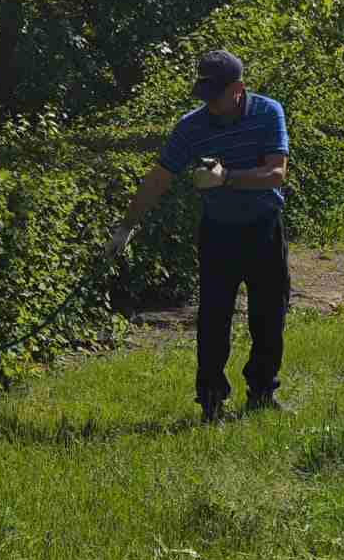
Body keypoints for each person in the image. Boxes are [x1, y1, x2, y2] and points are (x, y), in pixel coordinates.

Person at [104, 50, 291, 422]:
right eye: (205, 95)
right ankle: (211, 402)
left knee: (269, 316)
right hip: (218, 232)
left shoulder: (268, 112)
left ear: (238, 89)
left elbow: (276, 174)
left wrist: (227, 178)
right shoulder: (192, 126)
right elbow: (158, 178)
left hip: (264, 229)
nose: (210, 104)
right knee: (213, 320)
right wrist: (126, 226)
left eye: (216, 96)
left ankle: (262, 392)